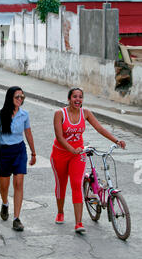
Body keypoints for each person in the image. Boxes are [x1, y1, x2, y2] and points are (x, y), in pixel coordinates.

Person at [51, 87, 126, 234]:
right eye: (74, 97)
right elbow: (59, 136)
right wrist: (71, 149)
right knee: (61, 184)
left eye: (80, 97)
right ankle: (60, 212)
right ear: (69, 99)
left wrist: (117, 140)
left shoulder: (86, 113)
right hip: (60, 154)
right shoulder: (60, 114)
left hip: (78, 154)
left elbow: (100, 128)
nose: (77, 100)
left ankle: (78, 223)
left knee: (76, 185)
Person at [0, 86, 36, 231]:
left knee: (18, 183)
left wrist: (33, 153)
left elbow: (28, 134)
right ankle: (5, 204)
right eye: (17, 97)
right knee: (4, 186)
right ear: (10, 98)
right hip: (3, 152)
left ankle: (16, 218)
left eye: (22, 97)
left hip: (19, 151)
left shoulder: (24, 114)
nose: (20, 99)